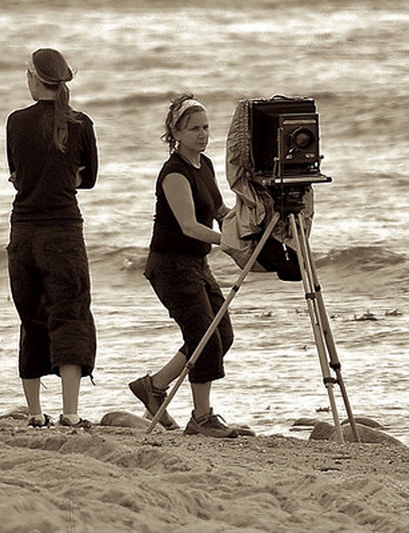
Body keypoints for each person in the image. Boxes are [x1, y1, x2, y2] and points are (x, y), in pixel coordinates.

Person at [128, 94, 241, 438]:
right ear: (175, 133)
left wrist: (250, 223)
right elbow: (189, 226)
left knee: (220, 334)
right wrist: (228, 243)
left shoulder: (203, 164)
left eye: (206, 127)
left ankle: (154, 385)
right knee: (204, 337)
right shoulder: (174, 173)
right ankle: (202, 418)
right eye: (194, 129)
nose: (203, 134)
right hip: (170, 266)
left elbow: (220, 212)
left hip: (195, 263)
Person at [6, 48, 98, 429]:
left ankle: (34, 413)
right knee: (70, 316)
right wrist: (63, 179)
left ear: (33, 77)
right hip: (63, 231)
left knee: (31, 318)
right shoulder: (80, 123)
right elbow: (88, 178)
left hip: (23, 231)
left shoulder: (15, 122)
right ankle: (70, 412)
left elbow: (16, 173)